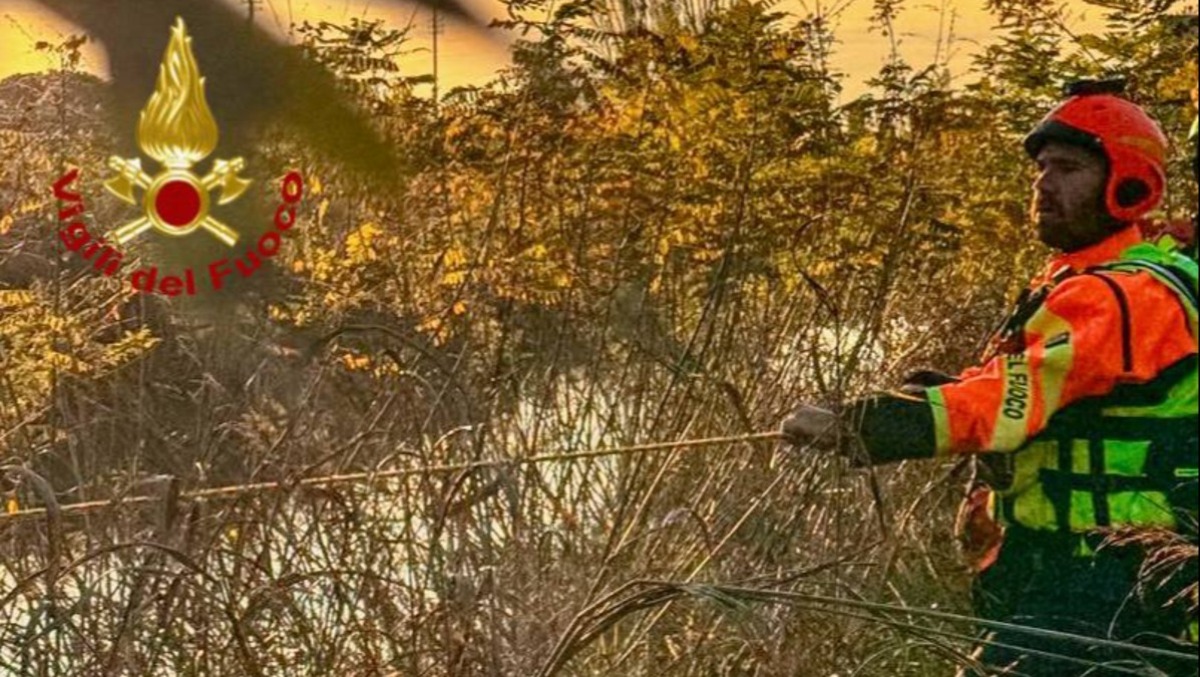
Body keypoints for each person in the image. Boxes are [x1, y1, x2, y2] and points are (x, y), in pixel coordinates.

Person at [781, 82, 1199, 675]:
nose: (1043, 183)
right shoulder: (1085, 281)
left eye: (1069, 168)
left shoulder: (1124, 296)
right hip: (1067, 570)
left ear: (1130, 187)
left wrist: (869, 423)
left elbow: (1013, 399)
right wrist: (944, 390)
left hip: (1110, 583)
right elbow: (1046, 387)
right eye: (1041, 166)